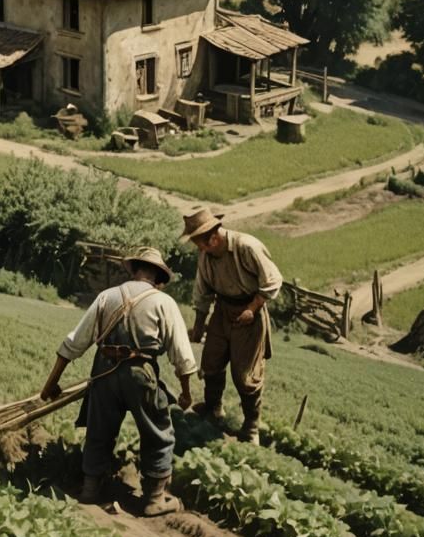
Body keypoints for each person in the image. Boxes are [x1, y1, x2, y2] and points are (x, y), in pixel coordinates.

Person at [40, 246, 196, 516]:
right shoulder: (163, 302)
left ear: (133, 270)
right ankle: (154, 499)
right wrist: (185, 393)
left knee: (99, 429)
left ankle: (90, 489)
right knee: (158, 432)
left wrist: (51, 384)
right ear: (159, 277)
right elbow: (182, 356)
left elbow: (73, 344)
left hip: (104, 371)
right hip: (140, 372)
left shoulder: (106, 296)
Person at [182, 207, 283, 445]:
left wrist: (252, 308)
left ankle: (251, 426)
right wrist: (198, 325)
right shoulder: (206, 257)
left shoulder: (247, 247)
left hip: (249, 310)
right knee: (211, 362)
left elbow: (272, 281)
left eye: (200, 244)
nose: (199, 249)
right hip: (222, 310)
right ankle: (213, 409)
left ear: (214, 237)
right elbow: (202, 291)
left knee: (246, 375)